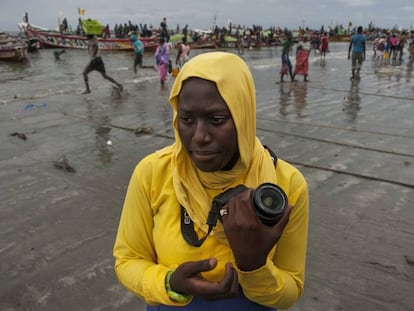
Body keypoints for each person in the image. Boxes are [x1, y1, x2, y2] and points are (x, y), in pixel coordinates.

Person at [113, 52, 309, 310]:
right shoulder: (152, 173)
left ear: (243, 116)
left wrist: (254, 266)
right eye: (187, 119)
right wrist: (170, 282)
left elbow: (291, 289)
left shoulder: (285, 184)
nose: (199, 137)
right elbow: (127, 260)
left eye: (216, 120)